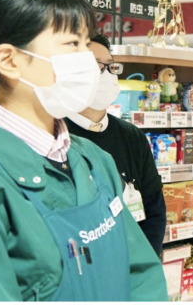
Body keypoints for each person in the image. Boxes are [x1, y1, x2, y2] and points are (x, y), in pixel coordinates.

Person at [0, 0, 166, 301]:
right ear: (9, 60)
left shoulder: (93, 159)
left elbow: (140, 272)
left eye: (86, 43)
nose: (87, 61)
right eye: (72, 44)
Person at [64, 33, 167, 256]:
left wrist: (145, 264)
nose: (107, 74)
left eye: (110, 67)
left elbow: (154, 208)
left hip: (134, 261)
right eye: (96, 66)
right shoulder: (56, 135)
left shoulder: (131, 136)